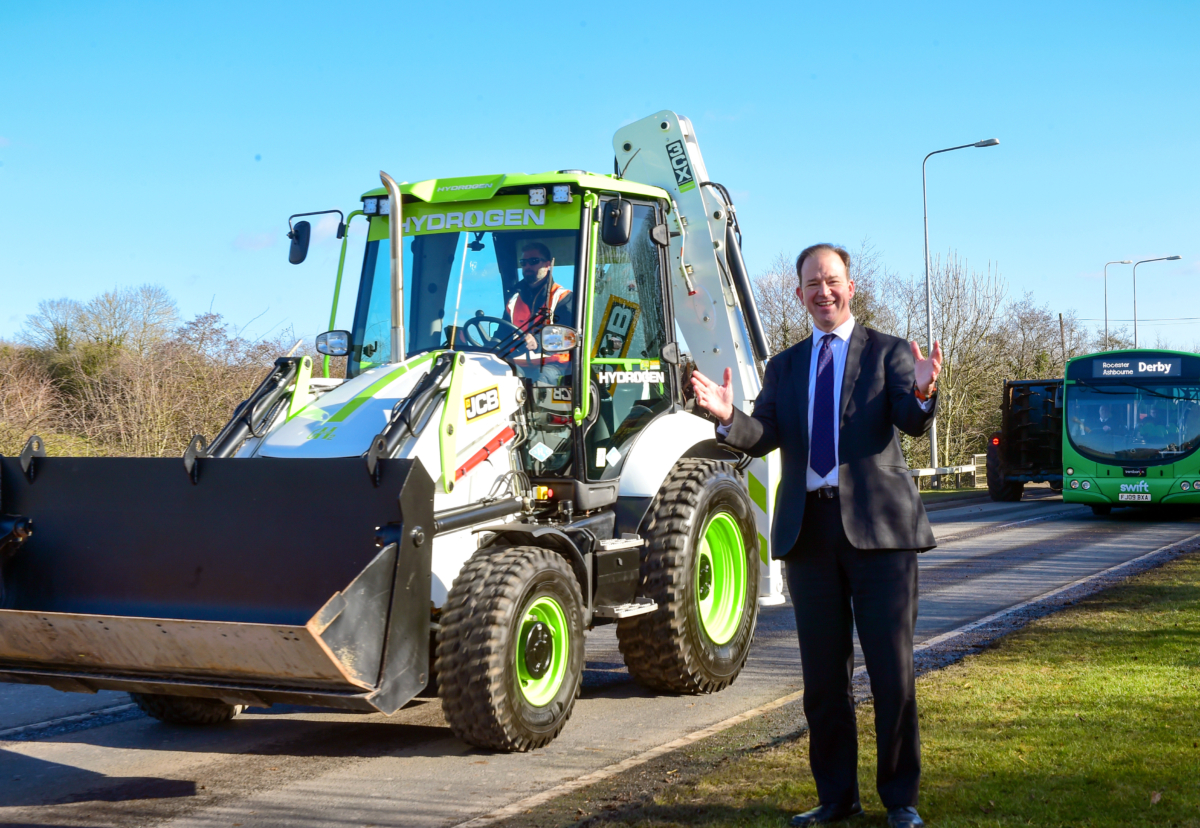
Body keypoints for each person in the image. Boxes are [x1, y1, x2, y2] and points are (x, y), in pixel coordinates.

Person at [691, 244, 941, 828]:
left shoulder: (890, 353)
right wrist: (728, 416)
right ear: (799, 294)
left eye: (832, 281)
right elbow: (762, 435)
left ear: (851, 287)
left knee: (892, 674)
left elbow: (909, 416)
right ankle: (837, 798)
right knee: (823, 681)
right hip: (809, 534)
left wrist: (925, 391)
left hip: (882, 534)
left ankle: (900, 800)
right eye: (811, 284)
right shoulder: (785, 365)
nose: (823, 291)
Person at [506, 241, 575, 385]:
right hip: (518, 364)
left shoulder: (562, 297)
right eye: (523, 262)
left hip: (553, 364)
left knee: (540, 383)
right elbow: (502, 334)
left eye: (533, 261)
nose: (527, 266)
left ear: (548, 264)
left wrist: (536, 341)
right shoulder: (513, 301)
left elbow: (569, 336)